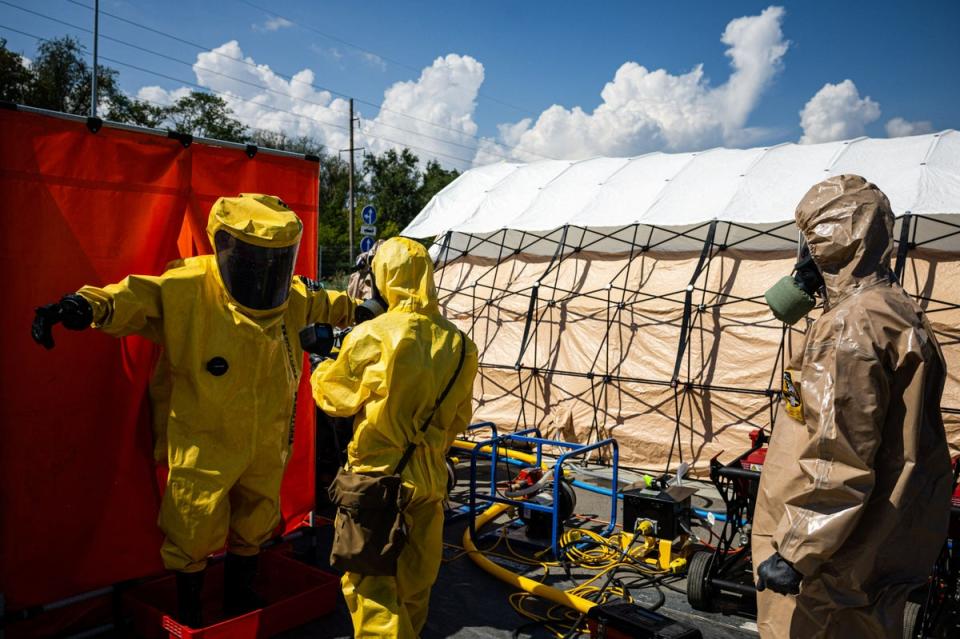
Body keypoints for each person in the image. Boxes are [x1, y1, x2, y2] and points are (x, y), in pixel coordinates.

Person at [31, 194, 357, 627]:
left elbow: (334, 304)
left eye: (273, 262)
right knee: (192, 521)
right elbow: (131, 296)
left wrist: (373, 308)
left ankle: (241, 595)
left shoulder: (293, 297)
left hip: (267, 438)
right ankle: (190, 610)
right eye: (253, 260)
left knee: (256, 515)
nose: (263, 272)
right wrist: (83, 306)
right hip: (204, 438)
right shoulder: (188, 288)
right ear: (224, 247)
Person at [753, 175, 952, 638]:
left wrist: (797, 550)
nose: (800, 256)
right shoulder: (897, 310)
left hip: (829, 559)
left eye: (807, 244)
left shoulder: (847, 327)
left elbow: (838, 454)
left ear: (829, 243)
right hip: (877, 539)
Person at [311, 236, 479, 639]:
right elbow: (459, 419)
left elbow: (336, 399)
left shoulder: (371, 335)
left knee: (370, 584)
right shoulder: (459, 344)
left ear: (384, 278)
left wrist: (320, 366)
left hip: (375, 482)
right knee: (415, 583)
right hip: (429, 481)